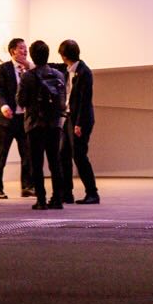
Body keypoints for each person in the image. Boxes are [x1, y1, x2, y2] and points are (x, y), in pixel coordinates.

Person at [18, 40, 68, 209]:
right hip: (54, 124)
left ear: (32, 56)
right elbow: (62, 101)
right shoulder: (59, 75)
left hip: (35, 124)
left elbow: (21, 100)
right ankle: (58, 199)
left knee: (37, 164)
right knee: (55, 162)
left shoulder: (28, 76)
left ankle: (41, 200)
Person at [0, 37, 33, 200]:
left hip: (24, 118)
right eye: (21, 48)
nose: (25, 51)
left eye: (26, 48)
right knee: (1, 154)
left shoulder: (29, 69)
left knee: (27, 154)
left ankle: (27, 186)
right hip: (6, 119)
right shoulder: (3, 69)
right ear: (12, 51)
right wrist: (4, 106)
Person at [58, 38, 99, 204]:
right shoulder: (67, 69)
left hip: (80, 120)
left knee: (79, 155)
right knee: (63, 154)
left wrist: (79, 124)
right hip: (70, 118)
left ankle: (92, 193)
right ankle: (66, 192)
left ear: (64, 56)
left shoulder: (84, 72)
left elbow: (84, 100)